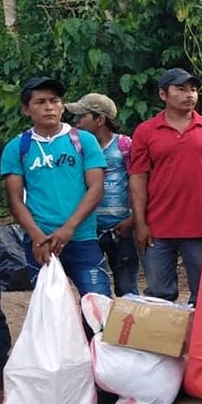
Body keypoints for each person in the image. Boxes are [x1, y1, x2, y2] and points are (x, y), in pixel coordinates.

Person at [0, 77, 111, 297]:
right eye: (40, 102)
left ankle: (93, 334)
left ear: (62, 106)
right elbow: (14, 200)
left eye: (55, 101)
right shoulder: (17, 147)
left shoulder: (83, 141)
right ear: (26, 109)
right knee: (50, 311)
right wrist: (37, 237)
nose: (49, 107)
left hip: (82, 238)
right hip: (41, 243)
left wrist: (68, 228)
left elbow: (96, 188)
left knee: (98, 305)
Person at [129, 68, 202, 306]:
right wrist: (140, 222)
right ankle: (162, 342)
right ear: (163, 95)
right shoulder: (146, 131)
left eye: (194, 89)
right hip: (157, 229)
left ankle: (198, 343)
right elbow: (138, 177)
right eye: (181, 89)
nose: (190, 95)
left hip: (201, 227)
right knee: (159, 296)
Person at [69, 93, 139, 296]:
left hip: (121, 229)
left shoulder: (124, 146)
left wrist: (133, 219)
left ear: (100, 120)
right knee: (93, 289)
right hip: (90, 230)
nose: (76, 122)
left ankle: (128, 327)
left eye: (82, 116)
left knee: (127, 288)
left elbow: (139, 183)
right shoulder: (76, 148)